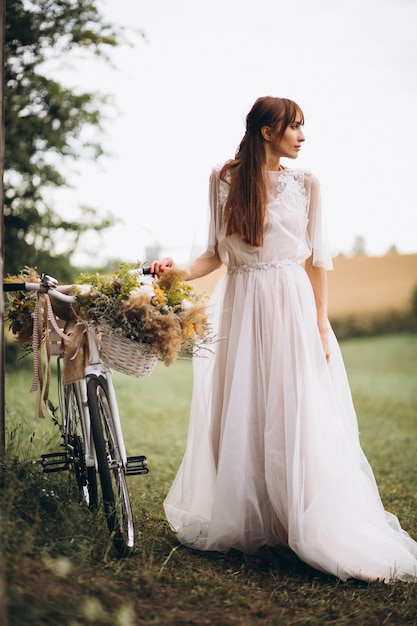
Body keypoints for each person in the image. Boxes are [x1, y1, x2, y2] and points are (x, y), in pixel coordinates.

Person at [151, 96, 417, 582]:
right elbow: (213, 254)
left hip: (291, 307)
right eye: (294, 126)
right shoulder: (223, 179)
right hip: (240, 303)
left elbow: (317, 261)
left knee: (292, 411)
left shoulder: (307, 184)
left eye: (302, 126)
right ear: (266, 132)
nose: (302, 135)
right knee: (241, 410)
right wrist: (176, 273)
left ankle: (295, 523)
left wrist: (319, 323)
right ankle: (254, 530)